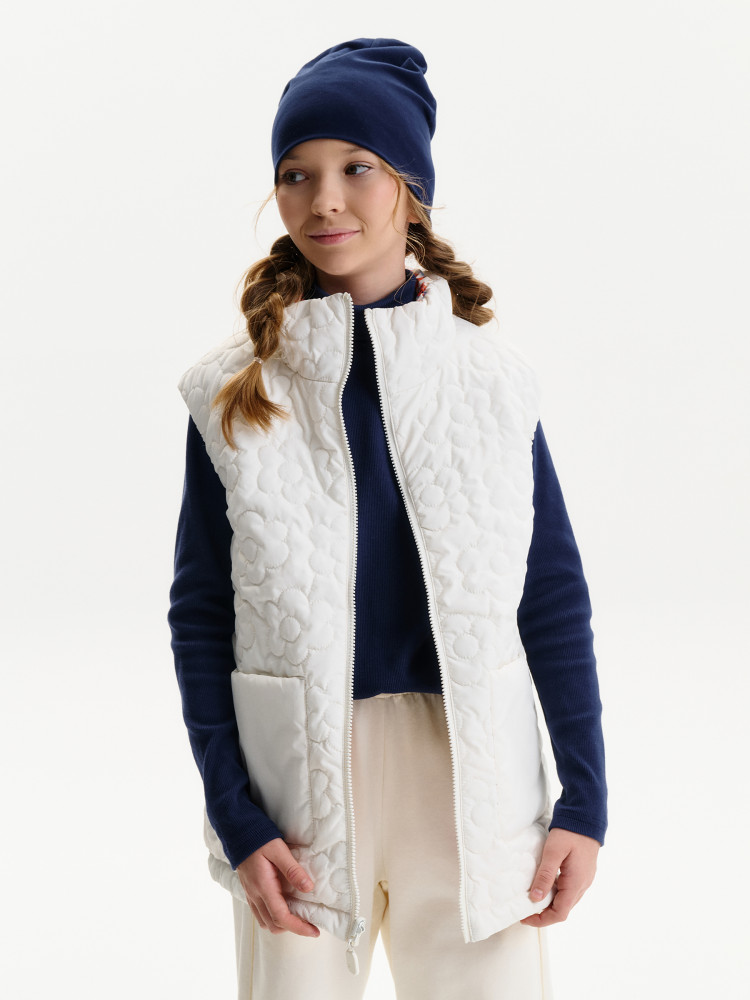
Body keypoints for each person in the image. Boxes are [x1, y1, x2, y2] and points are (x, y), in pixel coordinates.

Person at [168, 38, 607, 1000]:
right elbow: (199, 616)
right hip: (296, 788)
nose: (324, 199)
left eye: (357, 167)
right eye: (297, 174)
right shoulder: (234, 392)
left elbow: (551, 595)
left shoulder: (491, 383)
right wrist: (236, 815)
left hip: (472, 777)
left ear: (411, 188)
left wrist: (586, 796)